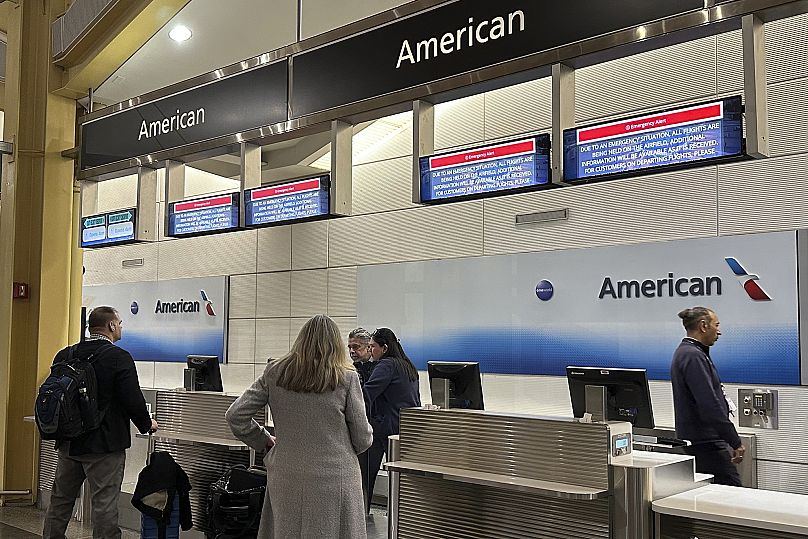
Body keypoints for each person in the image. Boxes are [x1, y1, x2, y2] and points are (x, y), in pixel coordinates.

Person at [225, 314, 373, 539]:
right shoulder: (346, 378)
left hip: (286, 473)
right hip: (335, 478)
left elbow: (236, 415)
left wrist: (264, 440)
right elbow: (362, 438)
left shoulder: (275, 372)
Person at [43, 306, 158, 539]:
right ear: (112, 326)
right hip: (104, 446)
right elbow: (132, 399)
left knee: (60, 501)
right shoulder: (119, 357)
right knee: (104, 505)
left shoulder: (65, 354)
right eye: (120, 323)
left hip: (69, 443)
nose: (121, 327)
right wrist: (147, 424)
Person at [671, 307, 745, 486]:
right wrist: (735, 441)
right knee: (732, 496)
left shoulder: (689, 353)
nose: (719, 331)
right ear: (703, 326)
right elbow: (709, 404)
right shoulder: (693, 356)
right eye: (716, 325)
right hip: (706, 444)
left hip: (702, 442)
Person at [362, 328, 421, 512]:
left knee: (366, 473)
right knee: (399, 477)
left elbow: (367, 393)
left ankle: (361, 512)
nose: (370, 351)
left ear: (384, 348)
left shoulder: (386, 365)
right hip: (405, 427)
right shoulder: (407, 365)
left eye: (373, 347)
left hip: (384, 427)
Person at [347, 327, 376, 515]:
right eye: (349, 347)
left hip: (374, 425)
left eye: (356, 347)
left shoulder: (379, 368)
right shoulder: (349, 370)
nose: (352, 351)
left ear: (368, 348)